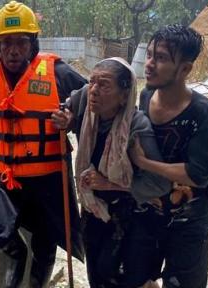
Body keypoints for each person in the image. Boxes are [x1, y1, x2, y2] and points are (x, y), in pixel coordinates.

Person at [0, 1, 87, 287]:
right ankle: (18, 259)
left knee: (46, 242)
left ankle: (35, 284)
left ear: (33, 43)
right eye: (6, 42)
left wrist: (71, 119)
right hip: (7, 177)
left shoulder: (57, 73)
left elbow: (93, 105)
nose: (13, 50)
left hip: (49, 179)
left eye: (20, 42)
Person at [55, 57, 171, 288]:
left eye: (104, 85)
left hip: (130, 216)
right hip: (94, 211)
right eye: (92, 82)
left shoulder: (137, 127)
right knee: (97, 275)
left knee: (124, 278)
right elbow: (68, 103)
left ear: (124, 95)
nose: (94, 91)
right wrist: (66, 116)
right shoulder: (87, 109)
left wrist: (110, 184)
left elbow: (160, 184)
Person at [128, 24, 208, 288]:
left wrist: (145, 163)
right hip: (150, 212)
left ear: (185, 69)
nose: (149, 64)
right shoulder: (146, 96)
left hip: (189, 219)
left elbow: (199, 173)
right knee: (136, 279)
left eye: (160, 58)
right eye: (149, 55)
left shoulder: (203, 114)